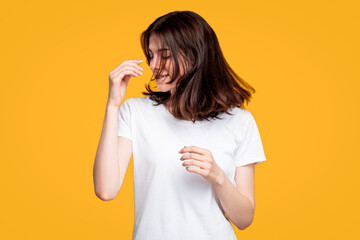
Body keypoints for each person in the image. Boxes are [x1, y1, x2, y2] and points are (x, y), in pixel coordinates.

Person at [93, 10, 267, 240]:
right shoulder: (135, 112)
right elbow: (106, 190)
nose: (154, 65)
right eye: (151, 55)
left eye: (164, 55)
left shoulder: (239, 122)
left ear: (194, 55)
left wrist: (218, 177)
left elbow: (244, 219)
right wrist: (113, 105)